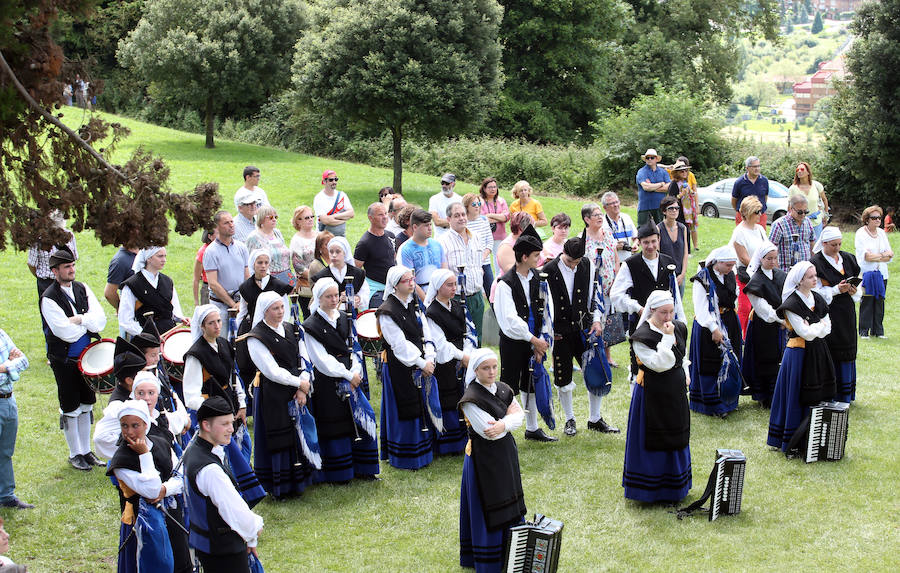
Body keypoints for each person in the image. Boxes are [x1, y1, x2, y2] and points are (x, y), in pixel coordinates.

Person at [303, 279, 379, 482]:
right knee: (335, 425)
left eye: (336, 295)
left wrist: (356, 370)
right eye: (328, 296)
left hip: (352, 374)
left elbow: (354, 346)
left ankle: (365, 467)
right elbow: (321, 360)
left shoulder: (345, 317)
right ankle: (340, 472)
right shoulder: (310, 326)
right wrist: (347, 375)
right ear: (318, 299)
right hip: (328, 381)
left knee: (360, 419)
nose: (333, 300)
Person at [457, 348, 526, 573]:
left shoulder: (504, 389)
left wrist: (504, 424)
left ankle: (513, 551)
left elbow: (519, 417)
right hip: (483, 461)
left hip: (505, 456)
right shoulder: (470, 399)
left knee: (510, 499)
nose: (491, 372)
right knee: (490, 504)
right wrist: (508, 420)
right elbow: (488, 431)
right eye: (486, 368)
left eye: (494, 367)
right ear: (476, 370)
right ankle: (490, 557)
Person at [39, 246, 107, 471]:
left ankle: (86, 451)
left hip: (86, 357)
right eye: (66, 267)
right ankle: (74, 453)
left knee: (87, 403)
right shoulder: (49, 298)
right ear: (55, 271)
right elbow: (63, 332)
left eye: (72, 265)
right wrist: (85, 323)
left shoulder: (82, 288)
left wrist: (79, 319)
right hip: (64, 359)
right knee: (70, 406)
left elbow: (100, 321)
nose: (71, 270)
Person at [622, 290, 691, 503]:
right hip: (652, 395)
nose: (668, 317)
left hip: (675, 394)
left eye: (671, 312)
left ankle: (676, 487)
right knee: (655, 437)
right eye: (663, 313)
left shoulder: (678, 327)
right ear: (652, 310)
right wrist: (667, 340)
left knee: (676, 435)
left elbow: (683, 358)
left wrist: (686, 375)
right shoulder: (641, 337)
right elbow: (659, 364)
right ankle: (650, 490)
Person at [107, 399, 192, 573]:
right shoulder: (121, 461)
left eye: (135, 425)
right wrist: (145, 455)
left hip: (171, 513)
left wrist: (166, 490)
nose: (129, 431)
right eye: (124, 426)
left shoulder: (161, 443)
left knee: (180, 561)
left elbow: (181, 476)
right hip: (142, 523)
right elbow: (151, 490)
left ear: (146, 424)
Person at [543, 234, 616, 435]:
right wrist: (550, 333)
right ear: (563, 253)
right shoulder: (548, 271)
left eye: (577, 262)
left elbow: (596, 295)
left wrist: (597, 320)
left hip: (586, 330)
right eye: (570, 261)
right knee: (563, 377)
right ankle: (569, 420)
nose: (574, 265)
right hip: (560, 334)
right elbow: (545, 307)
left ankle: (595, 418)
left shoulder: (588, 265)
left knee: (595, 372)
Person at [182, 396, 264, 573]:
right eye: (224, 424)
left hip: (207, 544)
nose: (231, 429)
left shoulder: (194, 448)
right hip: (223, 549)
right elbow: (232, 508)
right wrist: (254, 528)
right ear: (206, 425)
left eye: (231, 422)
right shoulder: (209, 468)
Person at [245, 291, 315, 497]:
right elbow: (272, 371)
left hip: (296, 387)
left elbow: (303, 358)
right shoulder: (256, 337)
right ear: (264, 311)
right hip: (273, 393)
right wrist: (300, 384)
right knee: (280, 436)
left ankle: (302, 479)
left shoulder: (291, 328)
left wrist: (303, 385)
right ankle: (281, 486)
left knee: (298, 432)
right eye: (275, 309)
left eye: (282, 307)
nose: (280, 312)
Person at [767, 262, 835, 452]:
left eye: (815, 276)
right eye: (810, 277)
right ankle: (793, 440)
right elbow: (803, 333)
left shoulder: (818, 299)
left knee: (816, 392)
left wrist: (815, 327)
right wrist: (818, 326)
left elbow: (827, 327)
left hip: (818, 352)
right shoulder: (791, 304)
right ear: (799, 281)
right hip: (798, 354)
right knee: (796, 394)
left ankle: (811, 438)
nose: (815, 279)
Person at [495, 225, 555, 442]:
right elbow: (509, 320)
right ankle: (503, 428)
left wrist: (543, 341)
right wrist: (533, 340)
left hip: (536, 340)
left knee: (530, 382)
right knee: (508, 385)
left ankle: (532, 427)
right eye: (536, 255)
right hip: (514, 341)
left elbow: (548, 311)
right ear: (524, 256)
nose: (540, 259)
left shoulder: (539, 279)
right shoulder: (505, 284)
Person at [376, 266, 438, 470]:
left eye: (412, 279)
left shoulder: (413, 302)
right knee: (406, 407)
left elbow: (424, 329)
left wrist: (430, 354)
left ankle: (425, 451)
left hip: (421, 361)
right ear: (395, 285)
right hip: (400, 366)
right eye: (407, 281)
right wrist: (422, 363)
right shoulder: (387, 311)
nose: (412, 283)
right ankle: (406, 456)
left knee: (420, 402)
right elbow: (399, 345)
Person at [610, 220, 682, 381]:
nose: (650, 246)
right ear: (640, 243)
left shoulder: (668, 261)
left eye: (653, 241)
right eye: (646, 242)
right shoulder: (631, 264)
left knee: (668, 358)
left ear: (659, 240)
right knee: (640, 366)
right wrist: (638, 308)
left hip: (666, 322)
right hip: (642, 324)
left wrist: (678, 319)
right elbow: (616, 294)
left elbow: (675, 294)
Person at [688, 245, 743, 418]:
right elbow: (702, 307)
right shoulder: (703, 279)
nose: (731, 269)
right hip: (708, 326)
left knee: (730, 359)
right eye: (728, 265)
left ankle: (729, 399)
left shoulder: (730, 275)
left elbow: (734, 296)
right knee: (711, 363)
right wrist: (714, 329)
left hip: (729, 321)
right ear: (717, 263)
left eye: (732, 265)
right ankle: (713, 404)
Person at [424, 271, 473, 455]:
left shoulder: (458, 306)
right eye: (449, 285)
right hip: (445, 363)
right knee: (448, 398)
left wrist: (468, 353)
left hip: (462, 358)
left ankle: (465, 438)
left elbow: (467, 332)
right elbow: (440, 344)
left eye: (455, 284)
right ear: (438, 287)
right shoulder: (431, 313)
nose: (454, 288)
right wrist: (463, 356)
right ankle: (449, 444)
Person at [811, 227, 861, 403]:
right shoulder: (816, 263)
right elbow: (814, 292)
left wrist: (853, 290)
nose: (837, 248)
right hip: (829, 312)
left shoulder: (848, 259)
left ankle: (847, 393)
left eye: (839, 244)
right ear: (824, 243)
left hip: (846, 311)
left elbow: (857, 284)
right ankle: (832, 392)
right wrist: (835, 290)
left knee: (848, 346)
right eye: (833, 245)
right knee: (831, 348)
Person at [235, 250, 292, 388]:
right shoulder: (246, 287)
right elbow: (242, 311)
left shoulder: (278, 285)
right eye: (260, 263)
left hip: (274, 329)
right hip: (252, 329)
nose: (263, 266)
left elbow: (285, 311)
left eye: (266, 263)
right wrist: (236, 331)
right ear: (253, 264)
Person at [741, 242, 787, 408]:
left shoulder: (781, 275)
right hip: (763, 325)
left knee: (780, 359)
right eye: (769, 258)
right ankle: (764, 395)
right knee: (765, 358)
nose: (773, 261)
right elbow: (763, 309)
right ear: (761, 259)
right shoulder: (756, 280)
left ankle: (778, 393)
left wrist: (786, 318)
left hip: (781, 325)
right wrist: (783, 320)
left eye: (775, 258)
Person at [92, 339, 149, 459]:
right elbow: (99, 438)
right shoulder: (117, 405)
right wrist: (129, 448)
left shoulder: (136, 391)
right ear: (129, 380)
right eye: (142, 373)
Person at [440, 203, 485, 344]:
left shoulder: (477, 237)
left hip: (476, 297)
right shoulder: (442, 241)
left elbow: (479, 266)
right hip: (456, 298)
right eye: (456, 215)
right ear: (448, 219)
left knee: (477, 338)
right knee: (458, 339)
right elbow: (443, 273)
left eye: (463, 214)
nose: (461, 218)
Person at [119, 246, 187, 337]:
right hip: (145, 341)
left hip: (169, 337)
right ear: (149, 258)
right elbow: (125, 321)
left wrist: (181, 318)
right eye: (160, 256)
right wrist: (146, 335)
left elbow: (174, 311)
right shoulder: (132, 285)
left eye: (165, 256)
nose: (164, 260)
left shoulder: (167, 281)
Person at [0, 329, 31, 509]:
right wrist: (11, 364)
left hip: (8, 401)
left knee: (5, 452)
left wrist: (5, 367)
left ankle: (6, 496)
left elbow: (24, 361)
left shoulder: (1, 333)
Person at [730, 196, 769, 335]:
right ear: (747, 213)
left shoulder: (760, 229)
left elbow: (767, 248)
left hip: (761, 272)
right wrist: (761, 263)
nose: (760, 215)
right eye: (756, 212)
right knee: (745, 308)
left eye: (761, 211)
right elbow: (744, 258)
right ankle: (741, 336)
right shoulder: (739, 233)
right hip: (746, 276)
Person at [204, 210, 251, 320]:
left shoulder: (241, 247)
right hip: (220, 306)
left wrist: (242, 302)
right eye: (226, 223)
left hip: (241, 304)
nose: (231, 225)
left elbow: (247, 277)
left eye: (232, 222)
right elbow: (213, 283)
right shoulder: (211, 251)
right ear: (217, 227)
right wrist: (232, 304)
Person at [855, 206, 893, 339]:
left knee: (880, 300)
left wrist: (878, 256)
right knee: (867, 300)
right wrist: (883, 255)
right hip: (867, 272)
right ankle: (864, 330)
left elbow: (890, 254)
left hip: (881, 272)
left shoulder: (881, 233)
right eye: (874, 218)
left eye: (879, 218)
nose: (877, 220)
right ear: (867, 220)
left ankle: (878, 331)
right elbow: (866, 256)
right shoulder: (861, 233)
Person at [353, 202, 396, 309]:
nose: (385, 217)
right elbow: (356, 270)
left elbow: (393, 259)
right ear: (371, 218)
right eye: (380, 215)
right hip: (375, 292)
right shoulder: (364, 243)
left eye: (386, 213)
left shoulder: (391, 236)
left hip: (393, 289)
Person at [397, 209, 446, 301]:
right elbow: (409, 279)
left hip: (439, 293)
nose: (430, 228)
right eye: (426, 225)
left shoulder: (437, 245)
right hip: (417, 297)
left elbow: (444, 270)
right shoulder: (405, 249)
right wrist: (426, 300)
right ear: (415, 227)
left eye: (430, 224)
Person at [27, 210, 77, 300]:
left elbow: (32, 264)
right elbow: (31, 264)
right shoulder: (38, 240)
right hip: (47, 284)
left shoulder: (69, 236)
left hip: (64, 282)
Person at [314, 236, 370, 311]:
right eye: (331, 252)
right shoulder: (322, 276)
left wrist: (357, 299)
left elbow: (364, 294)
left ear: (345, 252)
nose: (334, 255)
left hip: (352, 316)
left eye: (338, 252)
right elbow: (317, 302)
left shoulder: (357, 273)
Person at [245, 205, 294, 286]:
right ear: (261, 219)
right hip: (268, 280)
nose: (274, 219)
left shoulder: (277, 232)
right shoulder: (253, 237)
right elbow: (249, 263)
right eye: (271, 217)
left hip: (286, 276)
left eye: (276, 217)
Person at [769, 194, 815, 273]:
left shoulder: (808, 222)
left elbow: (812, 243)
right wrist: (778, 273)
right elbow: (771, 249)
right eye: (800, 212)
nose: (803, 215)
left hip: (805, 271)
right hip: (786, 271)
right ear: (790, 209)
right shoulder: (779, 224)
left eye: (806, 211)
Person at [464, 193, 494, 297]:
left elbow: (490, 242)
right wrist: (475, 261)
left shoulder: (484, 220)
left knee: (491, 292)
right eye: (473, 204)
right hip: (470, 264)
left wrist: (481, 258)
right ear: (466, 206)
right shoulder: (463, 223)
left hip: (484, 262)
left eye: (478, 203)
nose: (477, 206)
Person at [290, 205, 318, 318]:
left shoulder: (319, 235)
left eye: (312, 216)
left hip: (323, 283)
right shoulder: (296, 240)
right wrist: (316, 276)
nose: (311, 219)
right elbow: (298, 266)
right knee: (310, 317)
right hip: (307, 287)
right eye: (307, 218)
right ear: (298, 221)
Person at [658, 197, 689, 297]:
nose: (674, 211)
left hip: (680, 274)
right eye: (671, 208)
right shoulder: (658, 229)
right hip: (664, 274)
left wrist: (682, 274)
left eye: (677, 208)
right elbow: (657, 254)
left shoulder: (682, 228)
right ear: (664, 211)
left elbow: (685, 253)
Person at [789, 162, 829, 239]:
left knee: (815, 247)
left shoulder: (817, 185)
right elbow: (790, 207)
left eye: (802, 169)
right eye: (798, 170)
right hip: (800, 222)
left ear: (808, 172)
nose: (799, 171)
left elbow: (824, 200)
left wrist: (825, 215)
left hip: (816, 222)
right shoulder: (793, 188)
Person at [479, 177, 510, 270]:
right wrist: (499, 217)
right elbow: (481, 218)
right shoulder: (479, 201)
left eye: (494, 187)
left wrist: (490, 215)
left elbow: (506, 217)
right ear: (484, 188)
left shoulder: (501, 201)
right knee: (483, 261)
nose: (493, 189)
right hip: (484, 236)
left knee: (499, 263)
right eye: (490, 187)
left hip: (499, 236)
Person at [601, 191, 638, 265]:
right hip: (610, 264)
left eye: (617, 202)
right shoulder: (601, 223)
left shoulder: (627, 218)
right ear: (605, 207)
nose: (616, 205)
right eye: (612, 203)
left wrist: (635, 244)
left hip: (628, 262)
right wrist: (615, 247)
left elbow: (636, 237)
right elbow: (598, 246)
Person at [635, 148, 670, 226]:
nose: (649, 159)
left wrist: (652, 187)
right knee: (643, 231)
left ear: (656, 159)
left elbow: (668, 187)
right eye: (647, 158)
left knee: (660, 230)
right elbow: (646, 187)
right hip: (644, 207)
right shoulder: (641, 172)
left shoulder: (663, 172)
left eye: (652, 157)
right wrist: (661, 184)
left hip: (659, 207)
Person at [314, 169, 354, 236]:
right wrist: (343, 220)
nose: (334, 182)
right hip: (324, 238)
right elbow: (325, 221)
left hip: (341, 237)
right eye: (331, 180)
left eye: (336, 179)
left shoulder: (342, 195)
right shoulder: (319, 198)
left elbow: (351, 213)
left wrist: (333, 217)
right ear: (324, 181)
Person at [732, 156, 769, 227]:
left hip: (760, 216)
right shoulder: (739, 182)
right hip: (744, 217)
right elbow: (734, 200)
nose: (757, 169)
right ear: (747, 168)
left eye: (758, 166)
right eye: (754, 166)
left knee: (759, 237)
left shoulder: (764, 181)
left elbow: (765, 197)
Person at [495, 212, 534, 277]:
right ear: (521, 229)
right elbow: (512, 272)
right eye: (532, 228)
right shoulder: (506, 247)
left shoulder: (528, 240)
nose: (533, 231)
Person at [428, 173, 463, 238]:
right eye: (442, 183)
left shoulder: (460, 200)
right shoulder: (434, 199)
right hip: (440, 238)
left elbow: (464, 221)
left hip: (456, 237)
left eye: (447, 183)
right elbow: (437, 222)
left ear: (453, 184)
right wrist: (456, 222)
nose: (444, 185)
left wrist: (446, 223)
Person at [104, 245, 138, 311]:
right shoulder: (119, 261)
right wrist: (122, 309)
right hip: (134, 313)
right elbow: (109, 293)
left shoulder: (144, 252)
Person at [192, 230, 216, 306]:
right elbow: (196, 279)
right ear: (210, 236)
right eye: (218, 233)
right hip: (208, 290)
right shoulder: (203, 252)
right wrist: (196, 303)